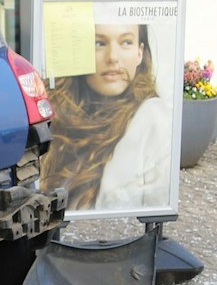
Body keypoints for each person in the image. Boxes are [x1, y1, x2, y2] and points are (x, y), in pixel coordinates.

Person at [41, 20, 163, 211]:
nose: (113, 57)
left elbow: (156, 203)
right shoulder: (62, 120)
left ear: (140, 52)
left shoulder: (152, 118)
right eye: (99, 43)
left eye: (126, 42)